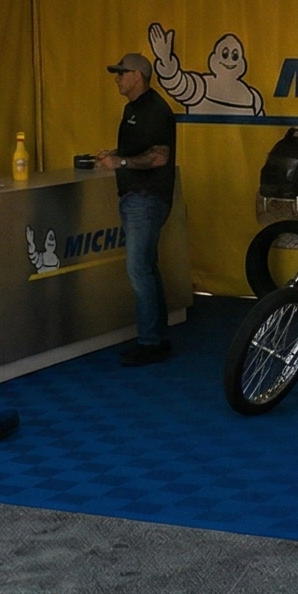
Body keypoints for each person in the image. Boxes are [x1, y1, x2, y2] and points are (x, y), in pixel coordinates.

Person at [95, 49, 178, 367]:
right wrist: (116, 153)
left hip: (146, 197)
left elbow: (159, 156)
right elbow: (142, 149)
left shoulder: (154, 109)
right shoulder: (135, 109)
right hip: (138, 196)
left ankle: (151, 341)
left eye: (121, 73)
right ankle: (157, 335)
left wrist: (122, 161)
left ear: (138, 76)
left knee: (138, 269)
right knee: (147, 267)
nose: (116, 78)